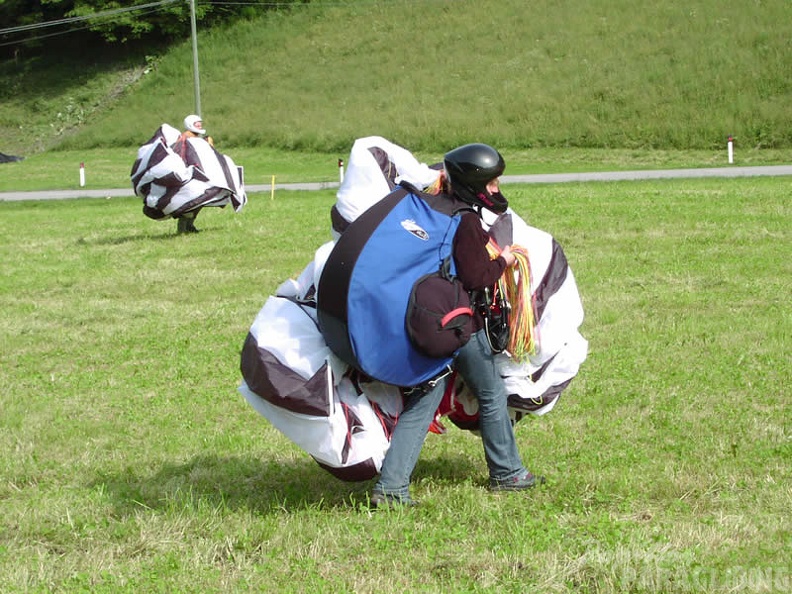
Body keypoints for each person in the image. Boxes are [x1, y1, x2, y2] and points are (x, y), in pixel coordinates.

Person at [370, 143, 545, 509]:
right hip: (457, 326)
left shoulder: (434, 206)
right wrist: (506, 260)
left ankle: (391, 488)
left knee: (424, 402)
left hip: (425, 318)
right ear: (475, 184)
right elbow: (477, 275)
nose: (497, 190)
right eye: (493, 184)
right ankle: (507, 472)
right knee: (491, 394)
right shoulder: (464, 220)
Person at [174, 114, 214, 234]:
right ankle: (182, 227)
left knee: (200, 200)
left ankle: (190, 225)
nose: (200, 125)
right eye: (197, 123)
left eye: (200, 123)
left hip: (200, 172)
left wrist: (209, 145)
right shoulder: (183, 138)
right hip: (188, 173)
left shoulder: (200, 139)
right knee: (190, 200)